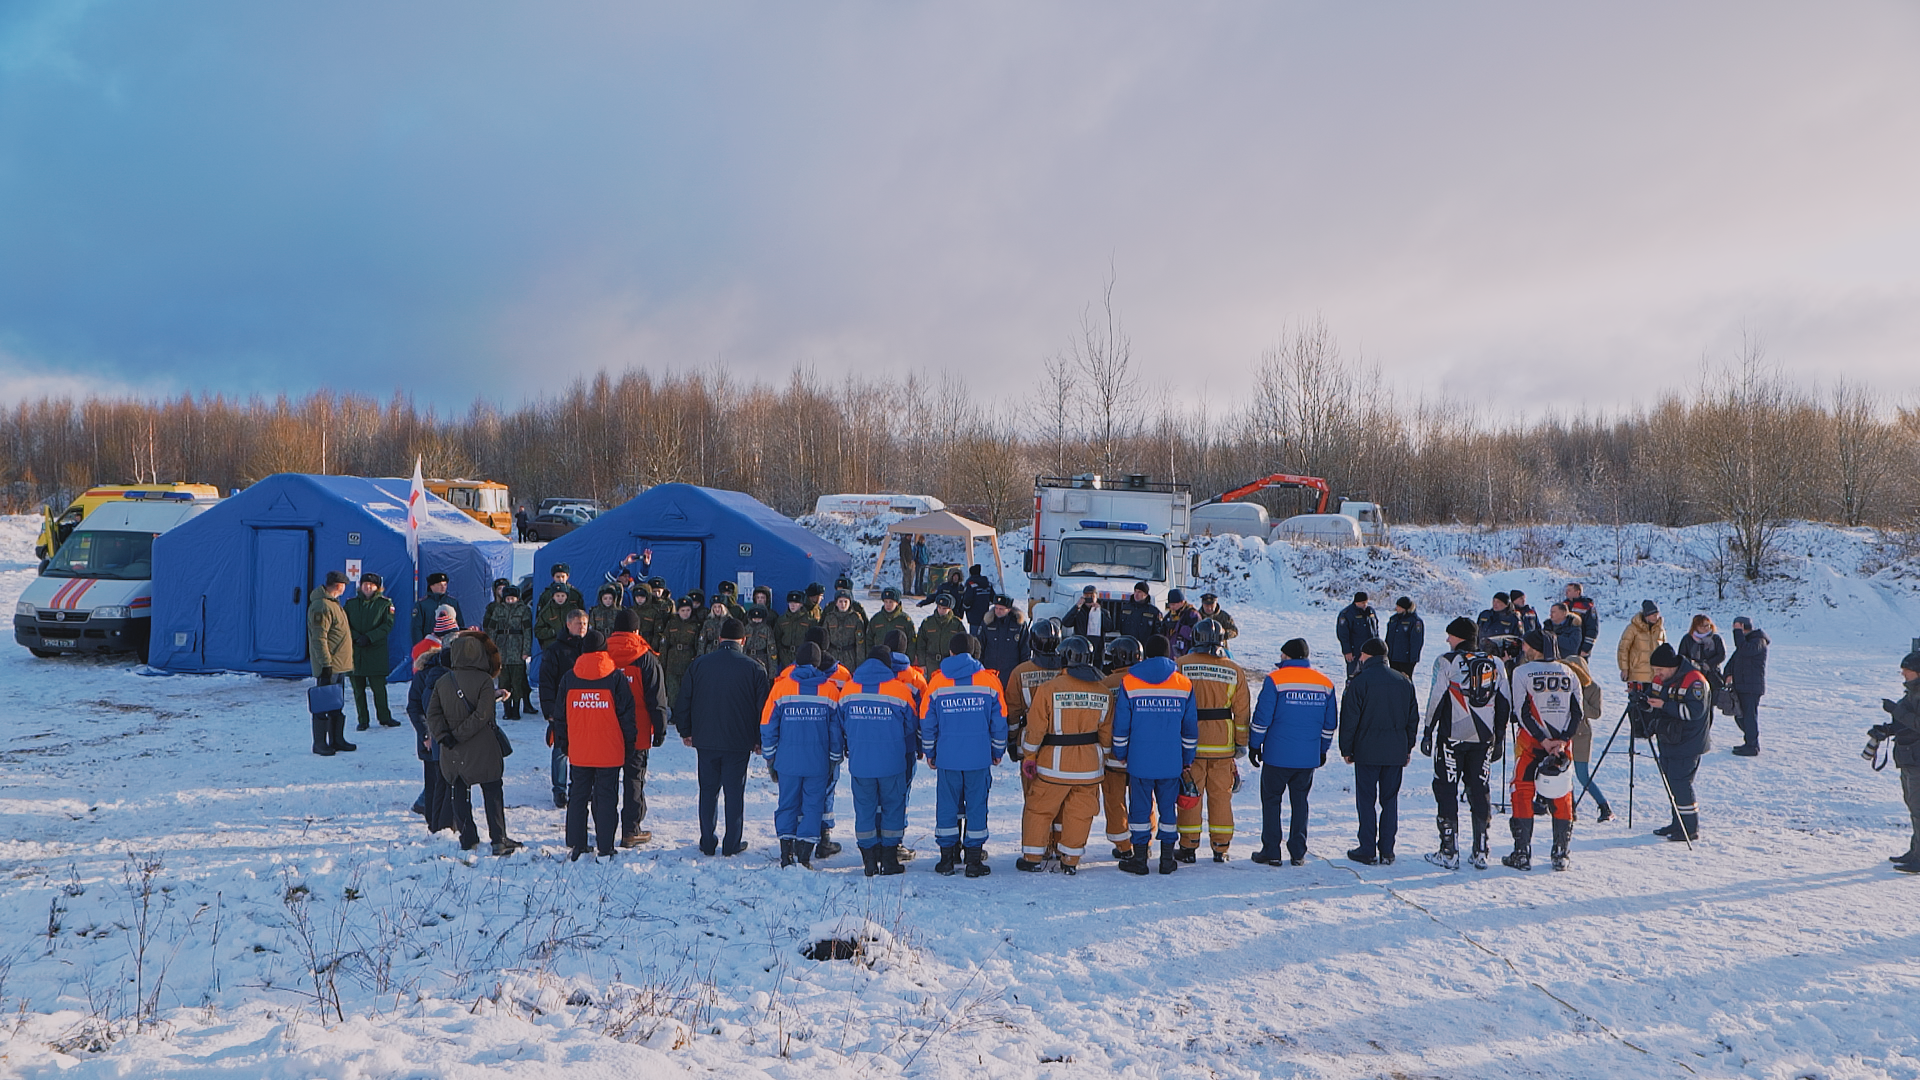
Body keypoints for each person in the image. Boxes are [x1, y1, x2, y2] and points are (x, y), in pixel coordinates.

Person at [675, 618, 773, 856]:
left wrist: (686, 731)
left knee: (708, 791)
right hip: (739, 742)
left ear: (719, 639)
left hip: (706, 739)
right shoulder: (754, 668)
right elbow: (764, 709)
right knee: (734, 793)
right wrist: (760, 739)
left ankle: (707, 841)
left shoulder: (699, 664)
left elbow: (683, 701)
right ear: (744, 640)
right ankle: (732, 843)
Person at [1016, 635, 1112, 874]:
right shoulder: (1103, 692)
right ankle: (1070, 859)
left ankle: (1032, 857)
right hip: (1090, 768)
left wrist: (1029, 755)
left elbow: (1036, 728)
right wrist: (1105, 757)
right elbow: (1107, 734)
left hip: (1052, 767)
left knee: (1039, 809)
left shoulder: (1049, 689)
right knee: (1079, 813)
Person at [1420, 618, 1508, 870]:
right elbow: (1504, 702)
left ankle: (1448, 851)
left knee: (1446, 788)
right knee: (1479, 789)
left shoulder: (1447, 660)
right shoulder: (1496, 662)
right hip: (1484, 737)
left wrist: (1428, 730)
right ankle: (1481, 851)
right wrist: (1499, 737)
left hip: (1453, 735)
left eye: (1450, 635)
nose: (1447, 640)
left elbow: (1436, 697)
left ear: (1458, 637)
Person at [425, 631, 523, 856]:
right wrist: (459, 734)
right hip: (483, 748)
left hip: (453, 751)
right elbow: (483, 714)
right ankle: (499, 838)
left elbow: (433, 713)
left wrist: (445, 736)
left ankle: (467, 838)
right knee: (492, 790)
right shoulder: (484, 681)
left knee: (459, 791)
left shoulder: (443, 681)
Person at [1111, 636, 1198, 876]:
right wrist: (1187, 758)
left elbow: (1121, 726)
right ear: (1168, 653)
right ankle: (1167, 860)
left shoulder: (1129, 683)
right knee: (1168, 809)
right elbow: (1190, 729)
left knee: (1140, 809)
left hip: (1139, 759)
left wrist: (1120, 752)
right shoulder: (1184, 684)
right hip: (1171, 760)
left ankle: (1139, 860)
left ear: (1145, 655)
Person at [1248, 638, 1338, 866]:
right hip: (1307, 756)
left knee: (1271, 800)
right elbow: (1329, 724)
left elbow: (1262, 718)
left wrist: (1254, 744)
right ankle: (1298, 851)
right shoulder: (1325, 683)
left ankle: (1271, 850)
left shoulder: (1275, 680)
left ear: (1287, 656)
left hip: (1277, 755)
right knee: (1300, 802)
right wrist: (1323, 749)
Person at [923, 633, 1008, 876]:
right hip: (978, 757)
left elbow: (927, 722)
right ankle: (973, 861)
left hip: (948, 758)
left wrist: (930, 751)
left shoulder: (937, 683)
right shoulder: (989, 682)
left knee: (948, 807)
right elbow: (999, 721)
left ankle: (947, 860)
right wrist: (997, 750)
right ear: (972, 653)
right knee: (976, 806)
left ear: (950, 652)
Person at [836, 644, 920, 876]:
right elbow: (911, 724)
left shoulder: (849, 688)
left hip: (860, 762)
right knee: (893, 808)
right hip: (892, 761)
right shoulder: (899, 690)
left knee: (864, 810)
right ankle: (889, 861)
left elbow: (840, 722)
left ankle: (869, 861)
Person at [1504, 631, 1583, 870]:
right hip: (1561, 746)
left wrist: (1542, 739)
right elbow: (1577, 712)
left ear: (1535, 647)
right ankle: (1561, 854)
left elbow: (1521, 711)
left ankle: (1521, 853)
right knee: (1561, 794)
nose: (1523, 648)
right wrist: (1562, 740)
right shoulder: (1570, 672)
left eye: (1526, 644)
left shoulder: (1521, 672)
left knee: (1522, 792)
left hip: (1532, 743)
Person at [1173, 619, 1251, 862]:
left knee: (1189, 797)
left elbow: (1173, 703)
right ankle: (1220, 846)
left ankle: (1188, 846)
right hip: (1222, 746)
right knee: (1220, 797)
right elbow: (1242, 712)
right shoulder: (1234, 670)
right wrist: (1241, 742)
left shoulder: (1181, 666)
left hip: (1190, 745)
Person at [556, 631, 637, 861]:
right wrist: (629, 744)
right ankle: (605, 846)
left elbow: (560, 716)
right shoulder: (615, 678)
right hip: (609, 750)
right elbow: (627, 716)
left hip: (580, 749)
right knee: (606, 799)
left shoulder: (570, 678)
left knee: (578, 796)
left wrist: (564, 743)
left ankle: (577, 843)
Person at [762, 642, 844, 868]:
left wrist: (770, 757)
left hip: (787, 760)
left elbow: (768, 725)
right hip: (817, 762)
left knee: (787, 804)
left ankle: (786, 853)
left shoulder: (781, 688)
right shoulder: (829, 690)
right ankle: (805, 855)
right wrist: (834, 757)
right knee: (812, 806)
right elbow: (836, 732)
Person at [1338, 639, 1418, 865]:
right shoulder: (1404, 681)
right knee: (1390, 801)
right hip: (1395, 751)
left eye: (1361, 655)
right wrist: (1407, 747)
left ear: (1367, 655)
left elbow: (1349, 719)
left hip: (1366, 751)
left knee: (1366, 800)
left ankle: (1366, 848)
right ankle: (1387, 849)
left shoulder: (1359, 682)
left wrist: (1347, 748)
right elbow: (1413, 719)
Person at [607, 611, 669, 847]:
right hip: (638, 730)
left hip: (608, 728)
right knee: (634, 780)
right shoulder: (645, 657)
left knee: (607, 781)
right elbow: (657, 697)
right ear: (636, 631)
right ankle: (631, 830)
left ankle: (606, 829)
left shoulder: (602, 654)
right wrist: (660, 728)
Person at [1645, 642, 1710, 842]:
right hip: (1668, 739)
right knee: (1671, 783)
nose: (1657, 673)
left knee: (1681, 784)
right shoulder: (1661, 678)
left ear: (1672, 667)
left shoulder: (1695, 681)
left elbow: (1694, 712)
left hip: (1688, 742)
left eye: (1660, 669)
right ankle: (1677, 822)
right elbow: (1654, 698)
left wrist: (1665, 705)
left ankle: (1690, 828)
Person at [538, 607, 590, 808]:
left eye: (585, 623)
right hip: (562, 709)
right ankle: (559, 790)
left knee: (584, 749)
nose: (582, 627)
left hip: (586, 707)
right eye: (578, 623)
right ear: (568, 625)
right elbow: (546, 682)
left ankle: (580, 785)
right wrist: (549, 710)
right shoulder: (555, 650)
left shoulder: (591, 647)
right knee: (560, 750)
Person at [1873, 651, 1920, 872]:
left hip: (1917, 759)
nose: (1903, 674)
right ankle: (1915, 851)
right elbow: (1906, 723)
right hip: (1909, 757)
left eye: (1907, 670)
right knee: (1913, 806)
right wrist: (1887, 729)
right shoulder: (1911, 693)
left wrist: (1896, 710)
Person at [1100, 636, 1145, 859]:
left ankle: (1123, 846)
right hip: (1140, 754)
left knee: (1114, 798)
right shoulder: (1145, 683)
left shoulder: (1105, 684)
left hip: (1112, 756)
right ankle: (1143, 842)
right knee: (1144, 798)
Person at [1004, 618, 1066, 766]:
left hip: (1030, 741)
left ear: (1032, 643)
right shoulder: (1067, 671)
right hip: (1065, 740)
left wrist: (1012, 739)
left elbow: (1012, 711)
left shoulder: (1020, 672)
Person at [405, 628, 452, 823]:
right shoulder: (425, 675)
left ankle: (442, 818)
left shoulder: (452, 672)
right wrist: (425, 735)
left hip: (446, 738)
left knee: (445, 780)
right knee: (434, 780)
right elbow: (414, 707)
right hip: (430, 739)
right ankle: (433, 818)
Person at [308, 570, 356, 756]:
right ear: (338, 586)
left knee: (336, 703)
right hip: (329, 665)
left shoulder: (334, 604)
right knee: (322, 704)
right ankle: (320, 743)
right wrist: (325, 663)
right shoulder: (321, 606)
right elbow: (319, 638)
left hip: (339, 664)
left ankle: (337, 739)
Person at [345, 572, 399, 730]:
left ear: (377, 587)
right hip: (356, 651)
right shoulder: (351, 604)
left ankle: (384, 717)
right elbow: (345, 623)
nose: (367, 587)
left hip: (376, 651)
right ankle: (363, 720)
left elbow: (387, 625)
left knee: (379, 688)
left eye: (371, 584)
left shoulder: (385, 604)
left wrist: (369, 637)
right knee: (358, 689)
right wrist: (356, 637)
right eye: (365, 584)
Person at [486, 586, 535, 719]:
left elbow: (527, 632)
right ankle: (507, 709)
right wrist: (491, 649)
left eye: (512, 598)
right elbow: (492, 630)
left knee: (517, 682)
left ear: (518, 598)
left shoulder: (524, 610)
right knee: (504, 682)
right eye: (508, 598)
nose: (510, 600)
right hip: (502, 649)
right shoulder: (498, 609)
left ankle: (516, 709)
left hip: (517, 649)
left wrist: (526, 650)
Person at [1727, 617, 1769, 756]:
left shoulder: (1758, 640)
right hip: (1742, 685)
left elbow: (1745, 650)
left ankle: (1752, 745)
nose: (1734, 630)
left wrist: (1738, 633)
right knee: (1740, 716)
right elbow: (1735, 659)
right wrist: (1727, 673)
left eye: (1737, 627)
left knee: (1749, 716)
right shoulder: (1745, 642)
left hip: (1751, 687)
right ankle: (1749, 741)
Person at [979, 595, 1030, 689]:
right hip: (990, 671)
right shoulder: (988, 622)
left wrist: (1022, 671)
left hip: (1011, 672)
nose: (998, 611)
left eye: (1001, 609)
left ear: (1009, 609)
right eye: (996, 608)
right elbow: (980, 646)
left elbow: (1025, 649)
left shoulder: (1018, 624)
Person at [1678, 614, 1727, 705]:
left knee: (1710, 703)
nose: (1705, 628)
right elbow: (1682, 656)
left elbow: (1721, 655)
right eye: (1702, 626)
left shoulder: (1716, 638)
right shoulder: (1687, 639)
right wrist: (1694, 665)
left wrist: (1708, 664)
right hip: (1694, 675)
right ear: (1695, 627)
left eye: (1707, 625)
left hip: (1712, 674)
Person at [659, 598, 702, 703]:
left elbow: (698, 645)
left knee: (687, 692)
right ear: (678, 611)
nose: (685, 613)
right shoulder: (672, 623)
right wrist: (662, 663)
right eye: (683, 610)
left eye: (688, 610)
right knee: (672, 693)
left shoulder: (695, 625)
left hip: (687, 660)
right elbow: (664, 644)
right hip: (672, 661)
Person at [1617, 600, 1667, 689]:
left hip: (1656, 675)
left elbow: (1664, 651)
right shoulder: (1632, 628)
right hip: (1637, 673)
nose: (1656, 617)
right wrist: (1624, 668)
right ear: (1646, 615)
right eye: (1653, 615)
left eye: (1657, 614)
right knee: (1636, 701)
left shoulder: (1660, 630)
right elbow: (1623, 648)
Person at [915, 594, 966, 673]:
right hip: (931, 662)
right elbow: (920, 644)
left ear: (950, 609)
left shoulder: (956, 624)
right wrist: (922, 663)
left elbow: (963, 645)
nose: (941, 611)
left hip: (950, 662)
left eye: (944, 608)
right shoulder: (928, 622)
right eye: (939, 607)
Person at [410, 572, 464, 645]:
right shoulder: (422, 604)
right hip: (430, 645)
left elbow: (460, 624)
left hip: (451, 644)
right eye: (439, 585)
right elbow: (416, 628)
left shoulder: (453, 603)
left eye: (445, 584)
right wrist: (420, 646)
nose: (443, 587)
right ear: (431, 586)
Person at [1335, 592, 1378, 680]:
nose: (1365, 605)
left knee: (1370, 675)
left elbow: (1375, 629)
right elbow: (1343, 634)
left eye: (1366, 602)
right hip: (1355, 650)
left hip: (1370, 650)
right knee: (1353, 676)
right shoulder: (1347, 614)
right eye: (1362, 603)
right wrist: (1347, 651)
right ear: (1356, 602)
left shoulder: (1370, 611)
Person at [1061, 585, 1110, 660]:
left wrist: (1099, 612)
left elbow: (1109, 627)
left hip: (1097, 650)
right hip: (1080, 649)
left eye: (1092, 596)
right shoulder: (1078, 612)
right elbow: (1066, 623)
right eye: (1087, 596)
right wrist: (1077, 607)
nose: (1089, 598)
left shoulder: (1103, 612)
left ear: (1096, 597)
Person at [865, 587, 916, 654]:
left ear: (897, 603)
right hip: (880, 658)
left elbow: (912, 642)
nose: (888, 605)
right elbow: (869, 639)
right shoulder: (876, 619)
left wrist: (908, 659)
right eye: (886, 602)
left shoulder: (905, 620)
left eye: (891, 602)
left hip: (898, 659)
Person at [775, 590, 817, 670]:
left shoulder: (809, 620)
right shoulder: (782, 620)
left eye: (796, 603)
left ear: (801, 604)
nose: (793, 605)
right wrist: (781, 654)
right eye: (791, 603)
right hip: (786, 656)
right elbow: (777, 638)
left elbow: (813, 640)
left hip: (802, 655)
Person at [1385, 597, 1424, 678]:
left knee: (1405, 681)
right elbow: (1389, 637)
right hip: (1393, 656)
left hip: (1406, 659)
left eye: (1398, 607)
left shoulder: (1415, 621)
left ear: (1405, 608)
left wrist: (1413, 658)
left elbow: (1416, 642)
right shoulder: (1394, 619)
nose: (1396, 608)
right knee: (1393, 680)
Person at [821, 590, 867, 660]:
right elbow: (824, 640)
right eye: (840, 601)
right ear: (836, 603)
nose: (843, 604)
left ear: (850, 603)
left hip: (850, 656)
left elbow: (860, 642)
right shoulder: (829, 618)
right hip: (833, 655)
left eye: (846, 601)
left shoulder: (855, 618)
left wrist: (860, 662)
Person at [534, 584, 582, 649]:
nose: (560, 598)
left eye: (563, 595)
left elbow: (582, 625)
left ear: (567, 596)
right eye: (557, 596)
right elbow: (538, 631)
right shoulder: (546, 612)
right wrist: (551, 632)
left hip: (571, 646)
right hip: (553, 647)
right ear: (553, 596)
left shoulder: (574, 610)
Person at [1157, 589, 1200, 657]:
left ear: (1182, 602)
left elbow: (1195, 635)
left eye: (1174, 604)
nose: (1172, 607)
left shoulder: (1192, 615)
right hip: (1171, 653)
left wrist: (1178, 627)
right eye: (1170, 605)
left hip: (1186, 654)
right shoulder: (1169, 615)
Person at [1563, 583, 1599, 659]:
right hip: (1564, 647)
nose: (1566, 592)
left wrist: (1586, 648)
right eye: (1566, 590)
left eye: (1569, 590)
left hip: (1580, 648)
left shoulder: (1587, 606)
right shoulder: (1563, 605)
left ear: (1577, 592)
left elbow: (1592, 628)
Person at [961, 565, 995, 635]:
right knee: (984, 635)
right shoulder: (987, 584)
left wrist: (964, 608)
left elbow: (967, 600)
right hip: (985, 615)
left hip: (973, 616)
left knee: (974, 638)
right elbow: (993, 598)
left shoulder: (971, 584)